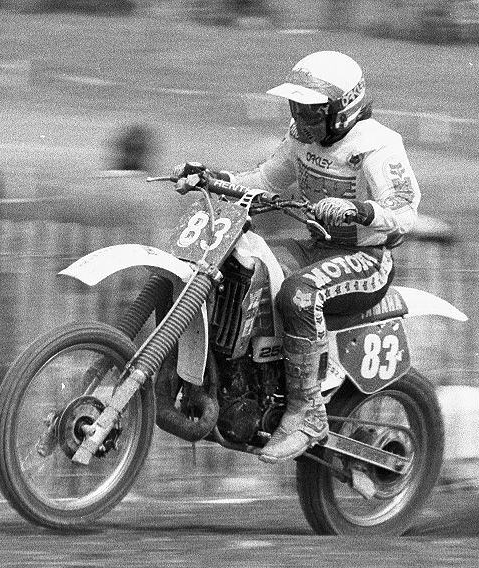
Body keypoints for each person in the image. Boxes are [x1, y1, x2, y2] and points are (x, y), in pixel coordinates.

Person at [171, 51, 420, 463]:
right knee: (246, 266)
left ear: (341, 110)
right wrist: (211, 179)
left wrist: (360, 210)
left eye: (311, 112)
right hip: (316, 248)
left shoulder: (377, 145)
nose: (302, 120)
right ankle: (244, 382)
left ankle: (308, 413)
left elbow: (405, 209)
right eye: (297, 108)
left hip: (368, 258)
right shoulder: (301, 138)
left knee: (299, 293)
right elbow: (265, 179)